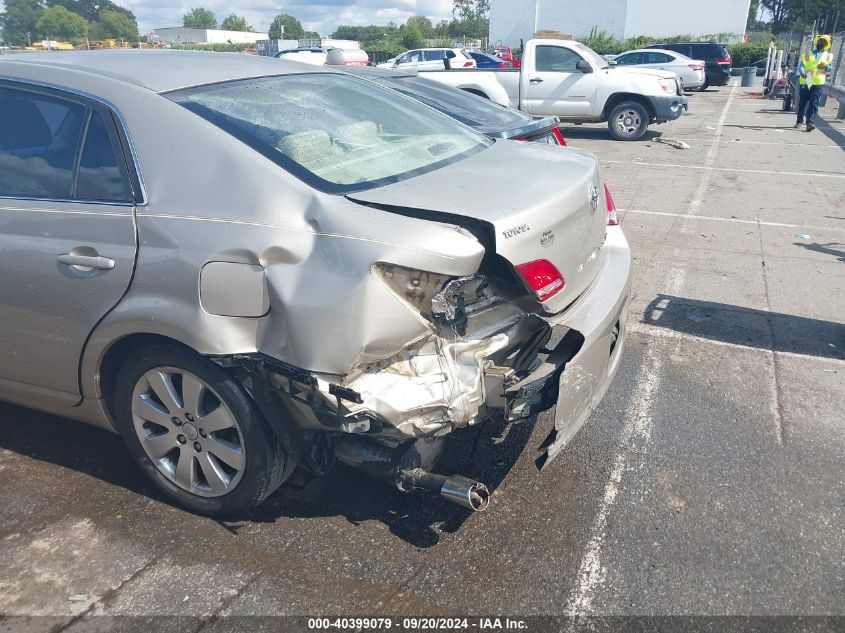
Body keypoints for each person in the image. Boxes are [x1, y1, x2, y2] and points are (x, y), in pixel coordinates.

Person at [795, 35, 834, 132]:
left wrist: (825, 66)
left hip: (818, 81)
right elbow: (802, 66)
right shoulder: (808, 54)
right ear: (817, 43)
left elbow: (830, 68)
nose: (822, 43)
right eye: (820, 41)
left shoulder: (828, 56)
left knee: (814, 102)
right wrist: (802, 72)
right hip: (807, 80)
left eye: (824, 42)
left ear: (826, 44)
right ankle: (799, 121)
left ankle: (810, 123)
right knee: (803, 102)